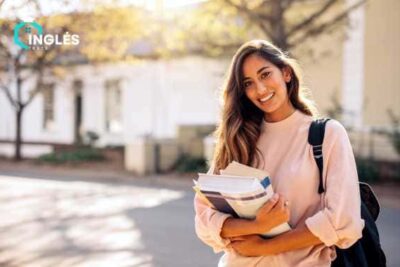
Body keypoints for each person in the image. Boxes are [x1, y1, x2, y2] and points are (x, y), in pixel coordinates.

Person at [194, 39, 364, 267]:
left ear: (286, 73)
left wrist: (264, 247)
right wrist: (257, 226)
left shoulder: (326, 135)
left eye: (265, 75)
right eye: (248, 83)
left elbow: (341, 220)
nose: (260, 89)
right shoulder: (239, 139)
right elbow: (205, 220)